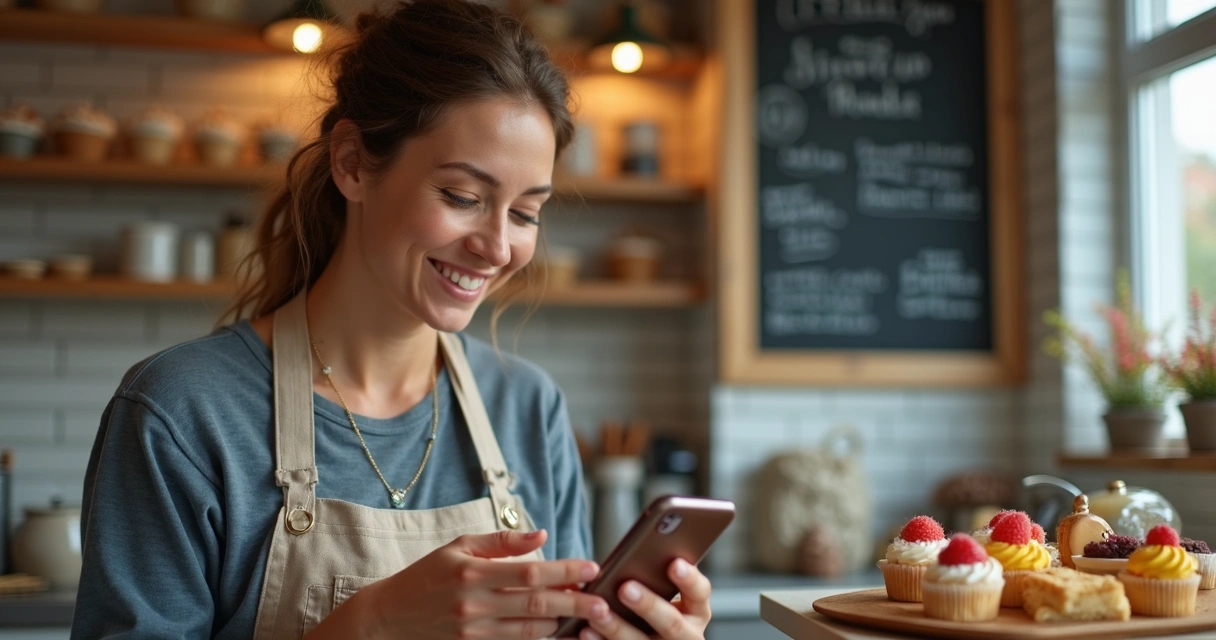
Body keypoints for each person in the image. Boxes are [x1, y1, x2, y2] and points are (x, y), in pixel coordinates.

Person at [70, 1, 715, 638]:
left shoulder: (528, 409)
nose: (497, 248)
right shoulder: (184, 412)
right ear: (352, 162)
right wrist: (372, 623)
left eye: (525, 213)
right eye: (462, 197)